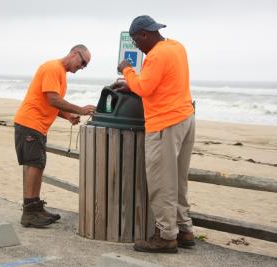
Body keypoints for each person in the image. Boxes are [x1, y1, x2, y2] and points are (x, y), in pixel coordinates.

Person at [112, 15, 195, 253]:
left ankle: (166, 236)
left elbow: (144, 88)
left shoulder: (156, 55)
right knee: (179, 180)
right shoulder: (177, 47)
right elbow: (160, 83)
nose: (136, 46)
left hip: (165, 124)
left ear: (145, 34)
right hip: (186, 118)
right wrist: (135, 82)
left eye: (136, 41)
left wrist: (127, 70)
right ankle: (184, 229)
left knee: (162, 181)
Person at [14, 45, 96, 227]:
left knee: (38, 164)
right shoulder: (52, 68)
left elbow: (51, 103)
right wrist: (80, 109)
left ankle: (35, 207)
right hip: (30, 123)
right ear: (75, 53)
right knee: (34, 165)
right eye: (83, 63)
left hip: (37, 126)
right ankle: (29, 212)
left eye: (85, 66)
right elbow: (52, 98)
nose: (82, 67)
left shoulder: (60, 73)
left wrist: (68, 115)